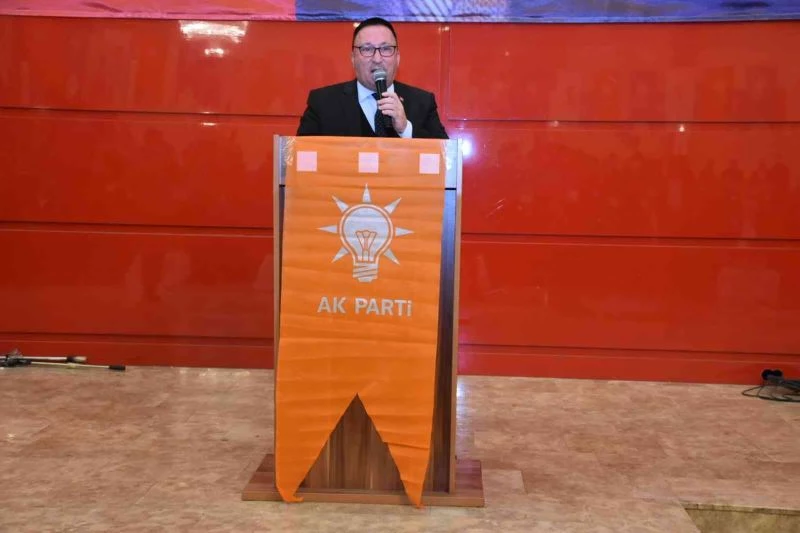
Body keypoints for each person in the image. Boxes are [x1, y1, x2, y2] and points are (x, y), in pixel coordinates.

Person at [296, 17, 448, 139]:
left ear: (397, 58)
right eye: (367, 49)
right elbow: (301, 158)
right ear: (353, 58)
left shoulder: (423, 102)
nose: (377, 59)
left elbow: (445, 158)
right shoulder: (322, 103)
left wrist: (405, 129)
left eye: (386, 49)